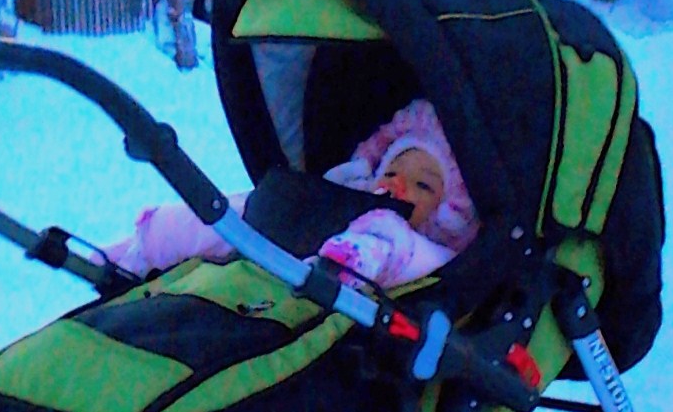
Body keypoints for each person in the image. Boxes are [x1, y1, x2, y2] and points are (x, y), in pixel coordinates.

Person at [104, 98, 479, 290]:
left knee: (379, 229)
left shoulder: (427, 249)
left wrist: (350, 259)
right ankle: (146, 241)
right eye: (393, 171)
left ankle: (342, 263)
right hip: (297, 236)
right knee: (234, 212)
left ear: (451, 207)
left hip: (333, 269)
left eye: (423, 185)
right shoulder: (359, 194)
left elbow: (393, 248)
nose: (399, 185)